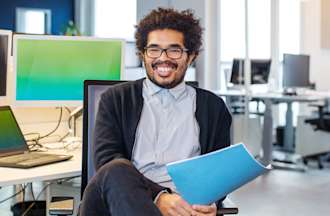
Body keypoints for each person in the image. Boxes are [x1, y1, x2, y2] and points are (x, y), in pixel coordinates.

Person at [80, 8, 232, 216]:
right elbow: (106, 161)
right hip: (120, 202)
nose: (163, 58)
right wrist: (159, 197)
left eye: (174, 50)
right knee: (116, 169)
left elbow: (217, 174)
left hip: (185, 208)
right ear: (142, 54)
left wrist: (208, 201)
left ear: (191, 56)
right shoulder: (115, 99)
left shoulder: (213, 108)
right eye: (154, 50)